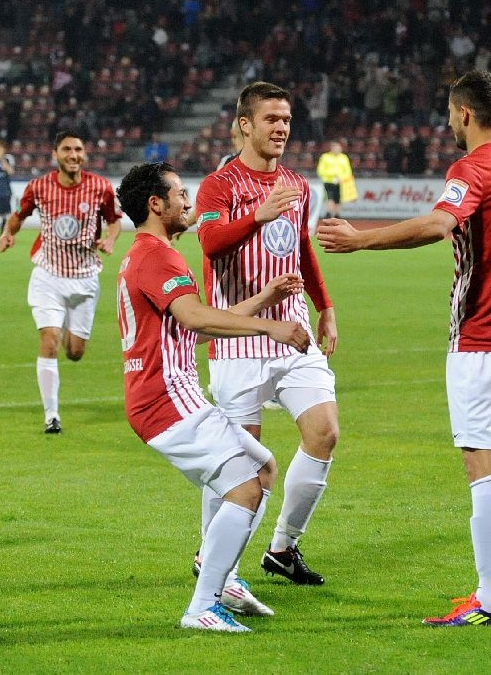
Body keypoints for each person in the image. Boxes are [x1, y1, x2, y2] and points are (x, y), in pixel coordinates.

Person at [317, 70, 491, 626]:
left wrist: (360, 240)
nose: (448, 123)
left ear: (465, 114)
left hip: (484, 337)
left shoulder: (471, 168)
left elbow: (439, 225)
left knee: (482, 464)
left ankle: (489, 602)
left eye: (450, 114)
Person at [115, 161, 310, 632]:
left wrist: (263, 299)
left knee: (263, 468)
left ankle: (223, 581)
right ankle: (203, 606)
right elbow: (197, 319)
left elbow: (192, 328)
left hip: (167, 394)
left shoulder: (146, 254)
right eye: (180, 193)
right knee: (245, 488)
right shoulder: (157, 257)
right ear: (155, 204)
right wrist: (270, 327)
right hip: (165, 398)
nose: (189, 201)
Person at [194, 81, 340, 587]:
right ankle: (212, 555)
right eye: (271, 119)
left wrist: (325, 307)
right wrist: (258, 216)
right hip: (238, 337)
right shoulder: (220, 186)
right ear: (245, 125)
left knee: (324, 432)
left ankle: (282, 547)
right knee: (239, 461)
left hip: (293, 332)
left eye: (286, 120)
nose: (281, 128)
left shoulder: (297, 185)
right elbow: (211, 243)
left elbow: (301, 247)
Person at [0, 130, 122, 434]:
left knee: (75, 353)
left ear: (84, 154)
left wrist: (110, 239)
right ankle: (51, 415)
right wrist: (8, 233)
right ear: (55, 154)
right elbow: (19, 215)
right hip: (48, 276)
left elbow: (114, 220)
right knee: (50, 340)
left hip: (85, 279)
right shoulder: (39, 187)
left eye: (78, 149)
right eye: (67, 149)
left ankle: (64, 323)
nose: (73, 155)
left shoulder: (101, 187)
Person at [316, 139, 353, 218]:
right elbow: (320, 170)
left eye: (338, 148)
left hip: (341, 182)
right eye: (335, 148)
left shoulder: (344, 158)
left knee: (338, 198)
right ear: (332, 148)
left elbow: (348, 171)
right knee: (329, 197)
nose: (337, 149)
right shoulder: (325, 157)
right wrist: (333, 175)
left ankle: (337, 214)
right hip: (328, 182)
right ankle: (329, 213)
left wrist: (341, 178)